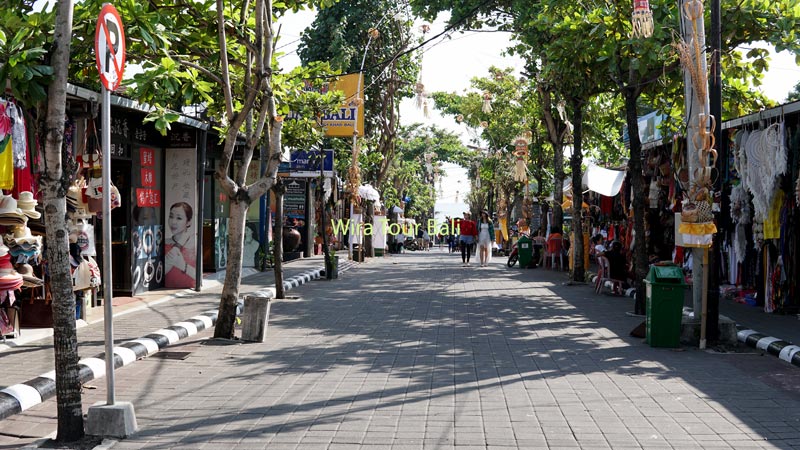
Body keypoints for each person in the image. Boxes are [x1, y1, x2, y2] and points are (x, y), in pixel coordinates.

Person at [165, 202, 196, 287]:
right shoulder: (165, 243)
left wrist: (182, 265)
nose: (173, 222)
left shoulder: (195, 243)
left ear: (188, 222)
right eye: (171, 216)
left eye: (179, 218)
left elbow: (199, 276)